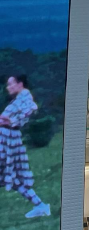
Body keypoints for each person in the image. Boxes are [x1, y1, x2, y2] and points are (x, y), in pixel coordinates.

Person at [0, 76, 50, 218]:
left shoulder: (25, 99)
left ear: (20, 84)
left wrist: (11, 120)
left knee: (12, 177)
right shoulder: (18, 100)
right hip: (6, 138)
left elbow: (30, 109)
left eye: (10, 84)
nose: (8, 87)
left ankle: (41, 206)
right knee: (13, 178)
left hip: (8, 140)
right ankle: (40, 206)